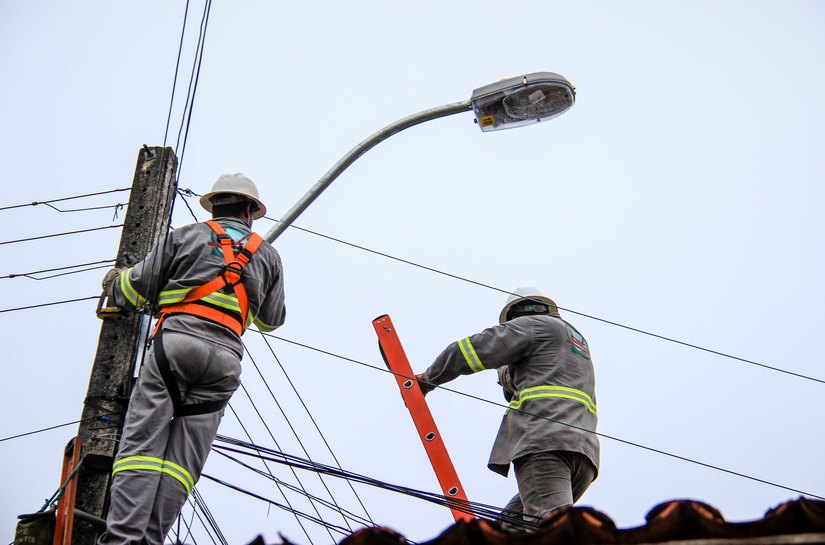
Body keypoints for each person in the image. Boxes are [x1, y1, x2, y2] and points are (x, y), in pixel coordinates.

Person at [97, 173, 286, 545]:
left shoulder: (186, 236)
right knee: (182, 465)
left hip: (176, 346)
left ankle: (122, 540)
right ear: (250, 210)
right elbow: (271, 319)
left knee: (141, 450)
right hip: (225, 361)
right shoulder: (269, 254)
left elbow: (138, 287)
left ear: (214, 206)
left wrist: (113, 281)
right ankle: (151, 541)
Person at [415, 287, 599, 529]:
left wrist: (427, 378)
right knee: (508, 531)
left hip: (544, 445)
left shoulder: (532, 325)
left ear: (517, 314)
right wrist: (505, 371)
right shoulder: (574, 340)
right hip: (582, 456)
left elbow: (471, 350)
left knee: (553, 533)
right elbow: (522, 382)